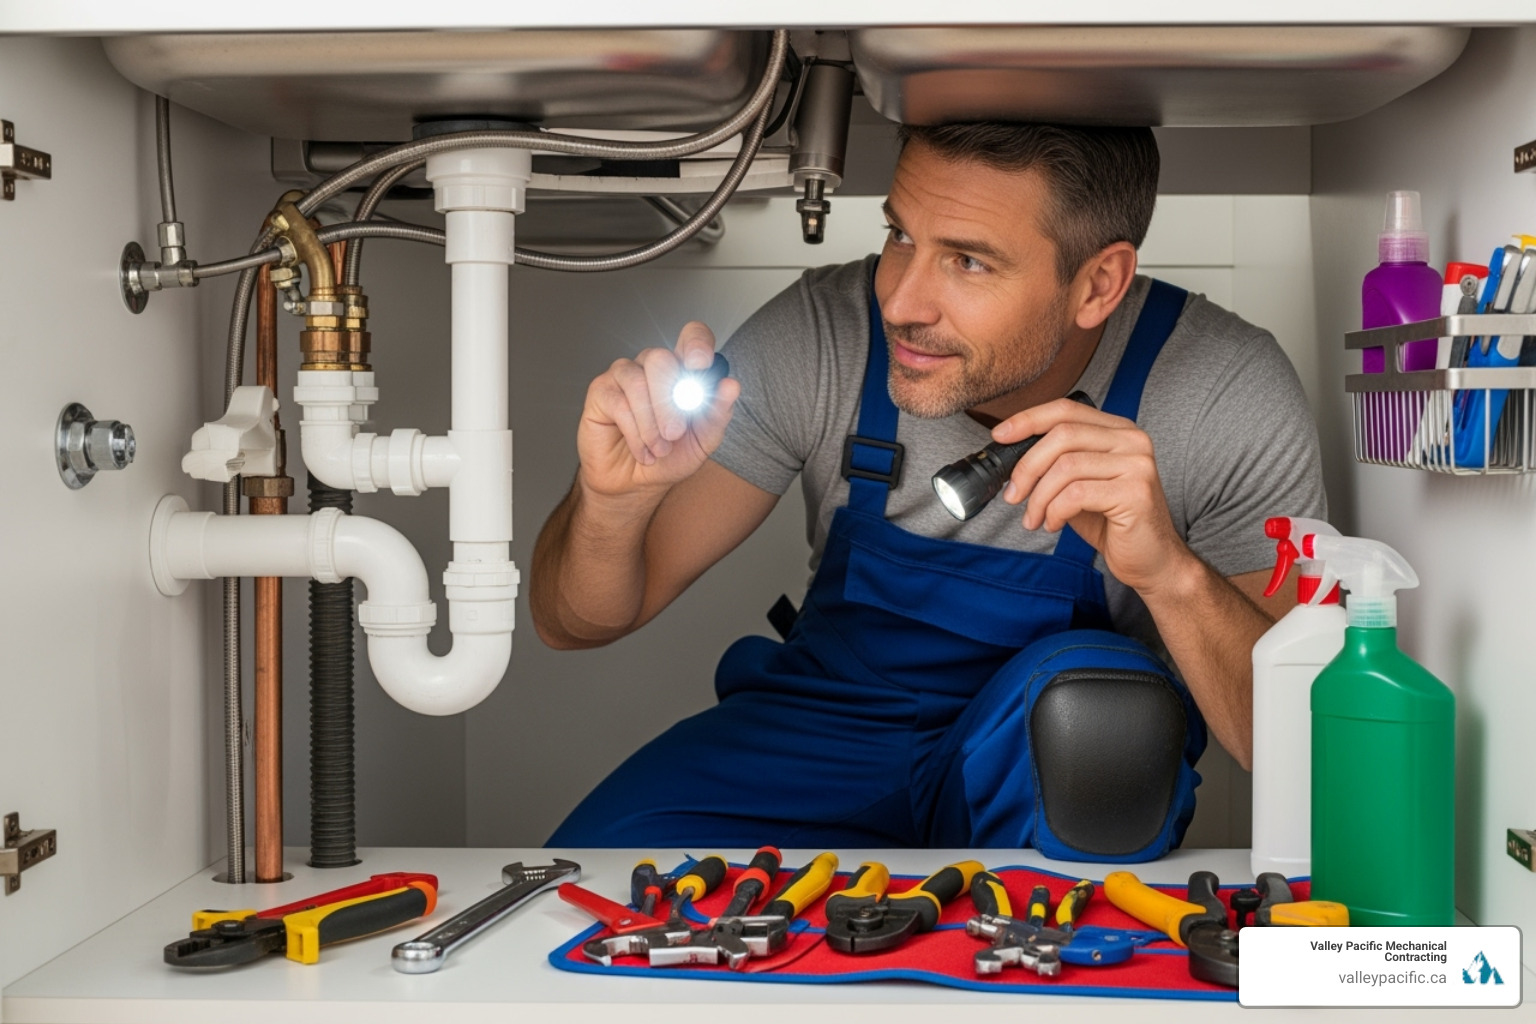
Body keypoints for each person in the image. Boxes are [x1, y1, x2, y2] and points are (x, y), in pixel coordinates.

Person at [531, 122, 1325, 854]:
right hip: (826, 733)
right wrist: (615, 501)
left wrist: (1168, 573)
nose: (900, 302)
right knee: (577, 889)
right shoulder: (825, 334)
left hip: (1040, 767)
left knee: (1100, 709)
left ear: (1097, 285)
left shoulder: (1223, 393)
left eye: (970, 260)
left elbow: (1298, 754)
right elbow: (574, 624)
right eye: (900, 236)